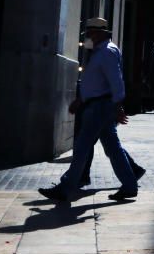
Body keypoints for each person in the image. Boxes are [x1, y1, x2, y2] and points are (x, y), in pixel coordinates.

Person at [39, 17, 138, 202]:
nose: (89, 36)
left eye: (91, 32)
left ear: (99, 33)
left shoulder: (106, 52)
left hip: (100, 106)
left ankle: (66, 187)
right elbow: (97, 83)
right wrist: (82, 100)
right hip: (99, 105)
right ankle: (130, 185)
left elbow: (116, 82)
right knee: (113, 149)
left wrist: (118, 105)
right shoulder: (101, 51)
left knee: (83, 146)